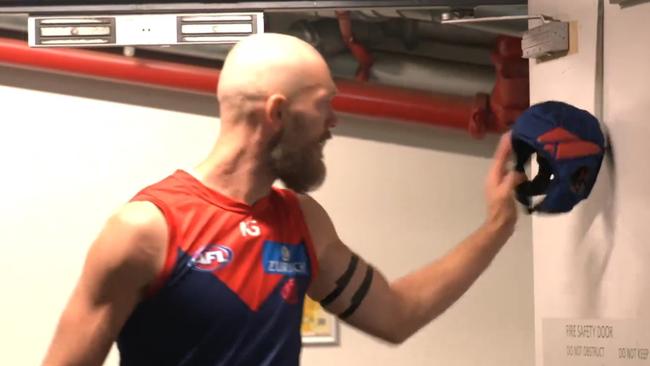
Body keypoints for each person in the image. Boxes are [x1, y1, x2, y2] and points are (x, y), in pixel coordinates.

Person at [42, 33, 525, 366]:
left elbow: (396, 314)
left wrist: (496, 227)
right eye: (324, 105)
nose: (333, 123)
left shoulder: (302, 222)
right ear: (277, 112)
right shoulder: (146, 231)